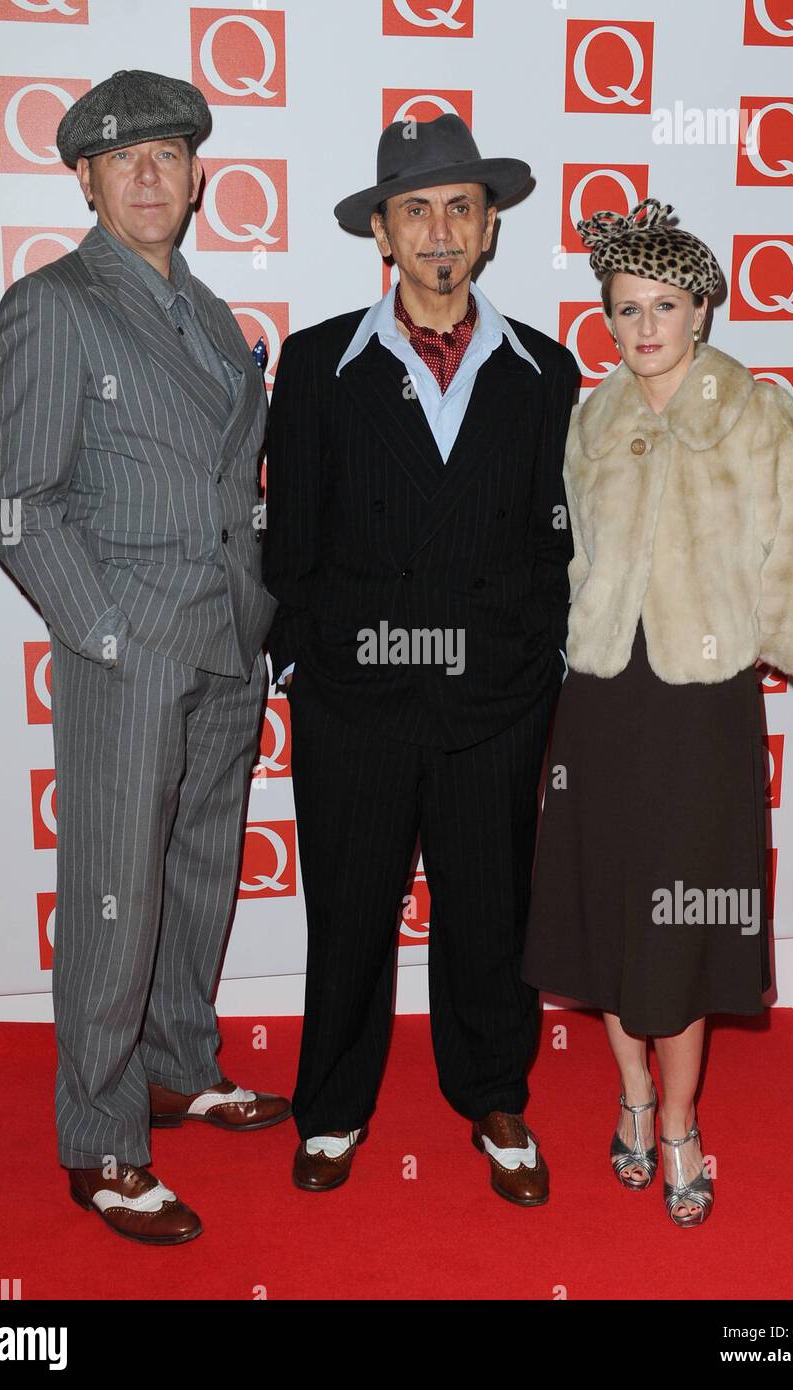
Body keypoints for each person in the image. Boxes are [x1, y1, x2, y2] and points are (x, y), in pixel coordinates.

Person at [0, 69, 289, 1246]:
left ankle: (177, 1067)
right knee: (115, 897)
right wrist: (103, 633)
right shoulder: (52, 304)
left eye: (169, 153)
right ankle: (103, 1138)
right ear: (87, 180)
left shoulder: (212, 315)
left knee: (198, 875)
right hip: (128, 651)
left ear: (198, 173)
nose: (151, 174)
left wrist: (259, 618)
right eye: (125, 160)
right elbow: (22, 505)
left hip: (225, 642)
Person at [263, 114, 580, 1205]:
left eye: (459, 207)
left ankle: (493, 1092)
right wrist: (312, 663)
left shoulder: (546, 369)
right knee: (347, 907)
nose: (439, 229)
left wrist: (529, 662)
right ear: (382, 235)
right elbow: (287, 543)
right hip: (356, 695)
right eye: (415, 210)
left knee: (489, 906)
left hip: (495, 696)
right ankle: (333, 1107)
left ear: (488, 228)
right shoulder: (314, 366)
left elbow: (555, 540)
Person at [522, 199, 793, 1226]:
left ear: (699, 307)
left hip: (700, 710)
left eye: (663, 304)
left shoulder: (757, 415)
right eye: (625, 309)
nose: (644, 326)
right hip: (602, 704)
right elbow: (566, 563)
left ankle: (677, 1127)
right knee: (610, 917)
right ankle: (626, 1100)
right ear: (605, 319)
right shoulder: (590, 419)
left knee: (680, 928)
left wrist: (782, 639)